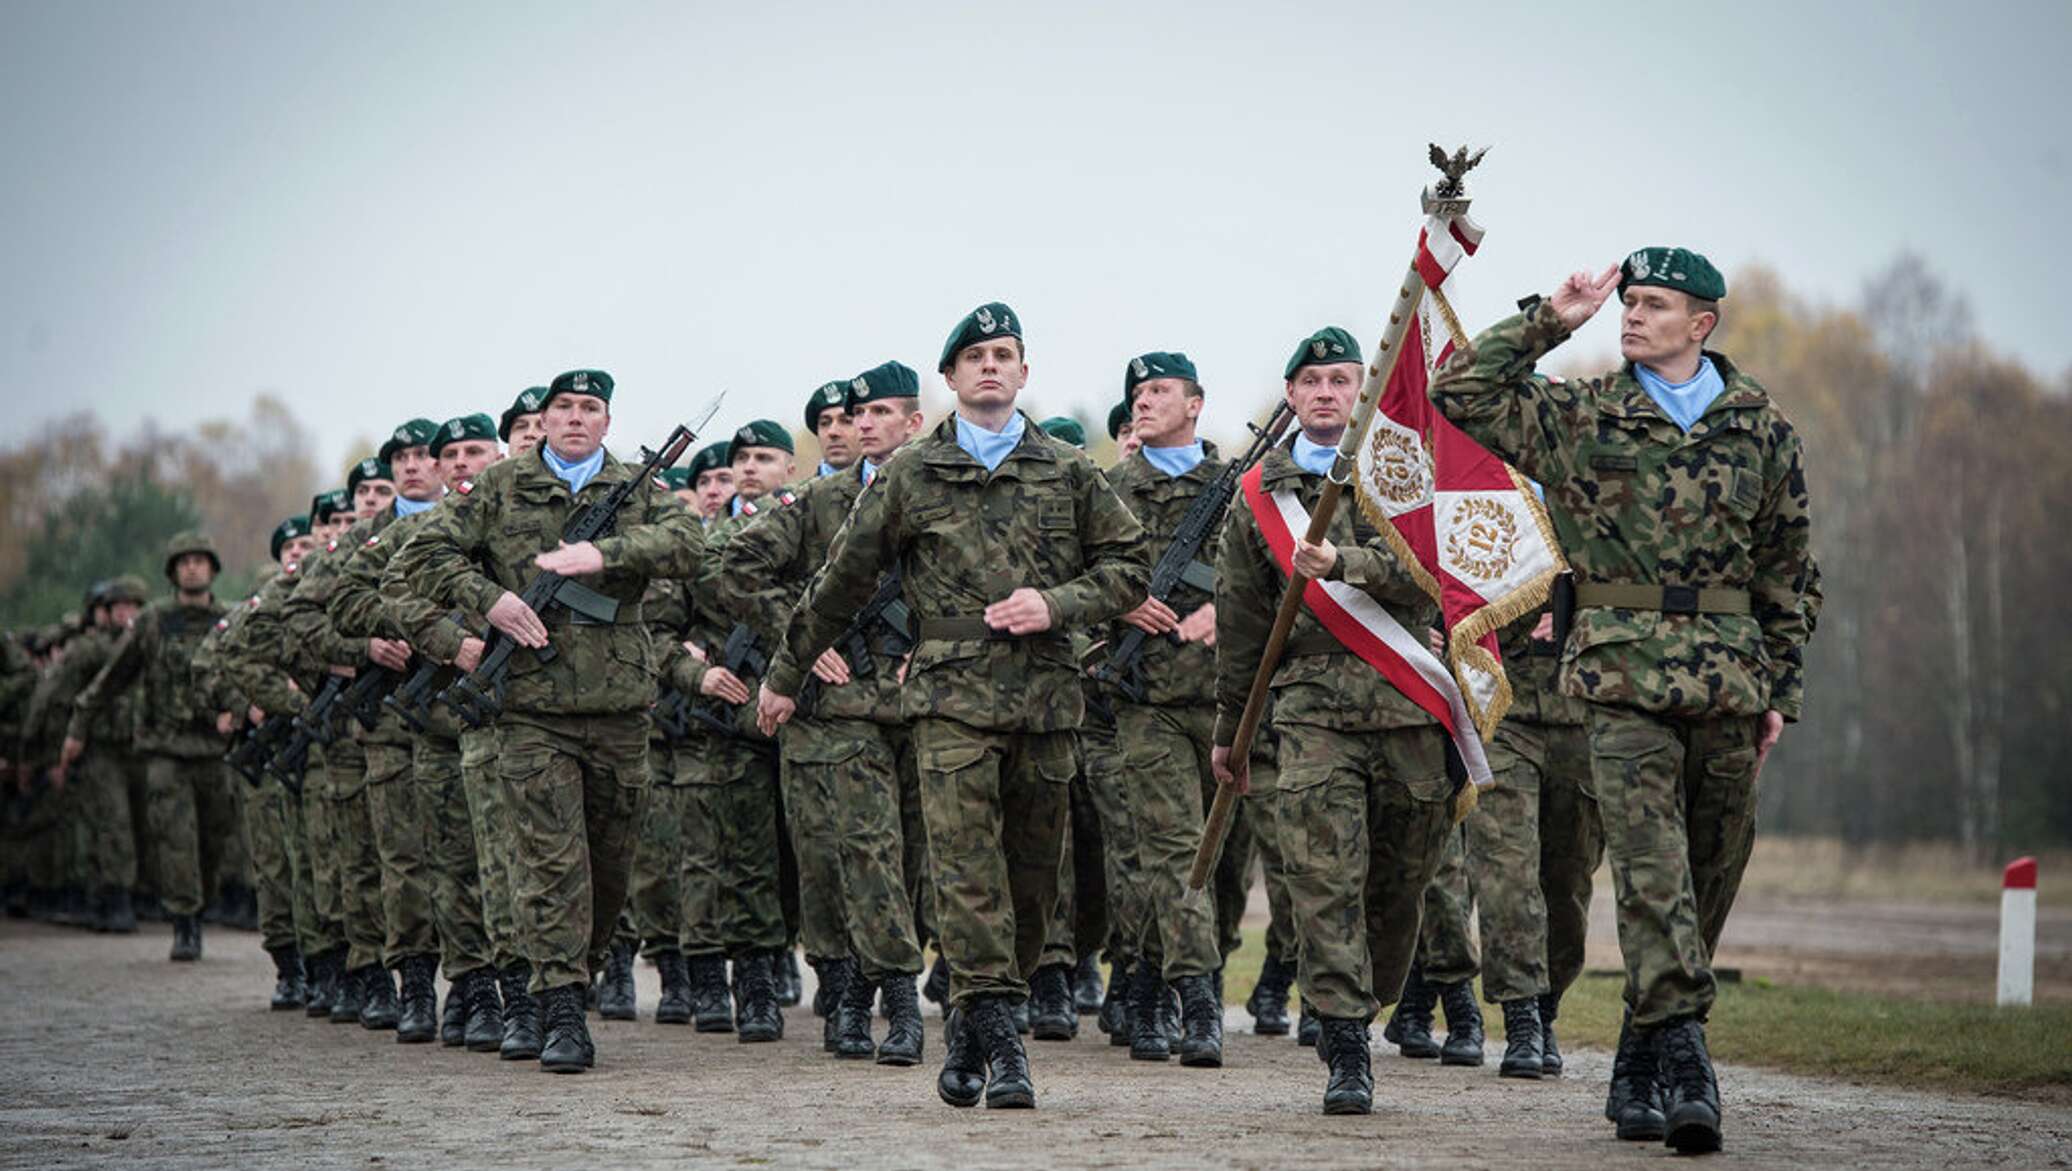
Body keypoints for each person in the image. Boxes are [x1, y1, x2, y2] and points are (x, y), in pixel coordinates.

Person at [1428, 248, 1816, 1153]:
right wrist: (1551, 320)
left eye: (1654, 304)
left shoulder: (1762, 429)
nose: (1632, 316)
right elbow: (1464, 395)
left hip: (1727, 680)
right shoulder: (1586, 414)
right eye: (1628, 302)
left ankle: (1637, 1054)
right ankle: (1686, 1061)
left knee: (1710, 877)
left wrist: (1780, 693)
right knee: (1649, 874)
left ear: (1702, 324)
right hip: (1620, 680)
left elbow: (1790, 573)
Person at [758, 301, 1148, 1110]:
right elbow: (841, 582)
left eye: (1004, 353)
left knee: (1033, 883)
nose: (991, 366)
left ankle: (970, 1027)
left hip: (1045, 702)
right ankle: (1005, 1044)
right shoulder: (911, 473)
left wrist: (1059, 603)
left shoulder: (1069, 471)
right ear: (950, 378)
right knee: (968, 876)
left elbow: (1129, 568)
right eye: (975, 356)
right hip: (948, 707)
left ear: (1024, 371)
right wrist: (786, 672)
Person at [394, 369, 704, 1073]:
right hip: (529, 710)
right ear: (544, 417)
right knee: (548, 862)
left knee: (610, 868)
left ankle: (573, 971)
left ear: (606, 421)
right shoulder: (499, 488)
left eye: (589, 408)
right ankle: (560, 1009)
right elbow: (422, 555)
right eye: (563, 406)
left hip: (621, 705)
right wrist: (489, 600)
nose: (575, 417)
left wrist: (607, 554)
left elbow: (690, 546)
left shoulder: (640, 489)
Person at [1210, 327, 1455, 1116]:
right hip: (1310, 714)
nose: (1325, 392)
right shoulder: (1259, 496)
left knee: (1400, 881)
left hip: (1407, 708)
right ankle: (1346, 1043)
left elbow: (1433, 579)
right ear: (1291, 396)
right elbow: (1242, 621)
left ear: (1365, 392)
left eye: (1341, 380)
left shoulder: (1403, 476)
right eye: (1310, 380)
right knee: (1321, 881)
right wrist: (1230, 732)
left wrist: (1348, 564)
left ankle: (1368, 994)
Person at [723, 362, 932, 1065]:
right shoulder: (817, 502)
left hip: (931, 704)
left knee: (917, 862)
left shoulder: (949, 495)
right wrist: (805, 643)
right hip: (838, 713)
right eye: (855, 413)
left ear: (914, 422)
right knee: (842, 858)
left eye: (877, 412)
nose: (862, 423)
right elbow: (732, 569)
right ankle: (873, 1000)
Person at [1104, 351, 1231, 1067]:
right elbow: (1071, 575)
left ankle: (1150, 980)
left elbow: (1280, 577)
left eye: (1160, 390)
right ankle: (1196, 997)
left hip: (1222, 700)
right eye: (1138, 393)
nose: (1144, 400)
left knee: (1208, 855)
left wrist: (1225, 607)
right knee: (1169, 848)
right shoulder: (1109, 487)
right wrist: (1118, 602)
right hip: (1143, 696)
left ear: (1195, 402)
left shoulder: (1241, 487)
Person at [62, 533, 235, 963]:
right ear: (173, 571)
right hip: (165, 750)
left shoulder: (230, 619)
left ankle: (201, 904)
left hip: (215, 751)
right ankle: (185, 923)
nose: (192, 568)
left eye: (200, 561)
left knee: (215, 839)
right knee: (175, 840)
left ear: (212, 569)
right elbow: (112, 678)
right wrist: (78, 727)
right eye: (184, 562)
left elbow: (248, 673)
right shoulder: (153, 621)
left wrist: (240, 708)